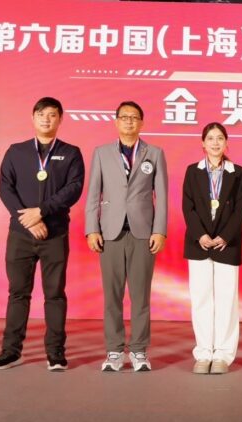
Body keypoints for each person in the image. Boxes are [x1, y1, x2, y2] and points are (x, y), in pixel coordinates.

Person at [0, 97, 84, 371]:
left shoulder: (71, 153)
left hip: (55, 233)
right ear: (33, 117)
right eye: (41, 114)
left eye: (52, 115)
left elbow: (74, 188)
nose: (46, 119)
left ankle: (55, 353)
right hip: (21, 234)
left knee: (54, 294)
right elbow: (5, 188)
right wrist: (29, 221)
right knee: (18, 293)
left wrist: (41, 211)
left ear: (60, 119)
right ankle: (11, 351)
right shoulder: (16, 151)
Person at [85, 101, 168, 372]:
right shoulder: (101, 153)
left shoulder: (154, 153)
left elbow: (162, 196)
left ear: (142, 122)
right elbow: (93, 193)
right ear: (116, 122)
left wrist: (159, 230)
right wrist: (92, 229)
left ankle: (139, 351)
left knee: (141, 296)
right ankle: (114, 351)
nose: (129, 121)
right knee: (112, 296)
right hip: (110, 233)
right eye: (124, 117)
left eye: (134, 117)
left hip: (143, 233)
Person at [182, 122, 242, 375]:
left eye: (220, 138)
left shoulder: (238, 173)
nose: (215, 143)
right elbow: (187, 207)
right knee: (201, 299)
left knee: (226, 300)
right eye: (210, 138)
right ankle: (203, 353)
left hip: (226, 245)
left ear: (226, 142)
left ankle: (222, 354)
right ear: (203, 143)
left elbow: (240, 209)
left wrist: (224, 236)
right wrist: (200, 234)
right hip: (198, 244)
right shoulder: (193, 171)